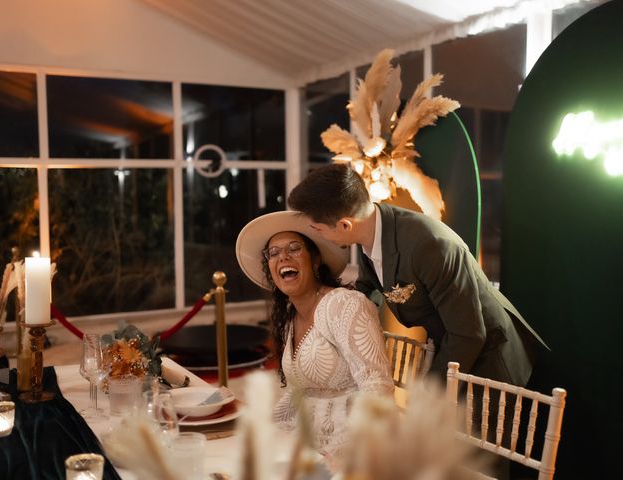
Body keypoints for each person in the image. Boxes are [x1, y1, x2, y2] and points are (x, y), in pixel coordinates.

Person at [288, 163, 548, 387]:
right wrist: (329, 320)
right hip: (453, 348)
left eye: (318, 229)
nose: (319, 236)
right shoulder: (370, 231)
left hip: (490, 360)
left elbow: (468, 334)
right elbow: (367, 291)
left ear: (345, 224)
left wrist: (428, 395)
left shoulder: (428, 246)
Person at [235, 211, 394, 465]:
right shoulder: (289, 317)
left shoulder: (344, 305)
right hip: (301, 446)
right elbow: (298, 394)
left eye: (294, 248)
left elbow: (378, 388)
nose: (283, 257)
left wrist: (344, 459)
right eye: (273, 253)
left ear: (315, 259)